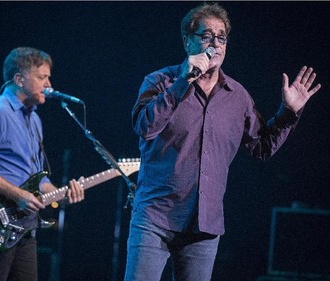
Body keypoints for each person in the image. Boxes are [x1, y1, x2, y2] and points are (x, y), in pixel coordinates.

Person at [124, 2, 321, 281]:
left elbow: (262, 147)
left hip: (204, 227)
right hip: (155, 219)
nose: (214, 43)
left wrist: (288, 113)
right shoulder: (160, 81)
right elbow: (145, 127)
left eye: (221, 37)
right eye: (206, 36)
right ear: (187, 41)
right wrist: (183, 82)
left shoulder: (237, 96)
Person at [0, 47, 85, 281]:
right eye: (42, 77)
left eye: (48, 77)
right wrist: (18, 195)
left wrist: (64, 193)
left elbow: (37, 179)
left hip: (24, 227)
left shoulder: (34, 119)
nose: (49, 84)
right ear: (19, 79)